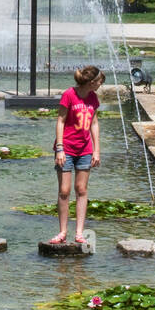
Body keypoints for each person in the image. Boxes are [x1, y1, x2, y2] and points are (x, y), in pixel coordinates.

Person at [49, 65, 104, 245]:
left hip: (85, 150)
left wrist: (96, 149)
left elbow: (94, 123)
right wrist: (59, 148)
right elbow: (60, 121)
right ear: (91, 82)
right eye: (99, 82)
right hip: (67, 149)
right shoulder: (69, 95)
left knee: (81, 189)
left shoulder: (93, 98)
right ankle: (63, 232)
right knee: (64, 191)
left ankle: (79, 232)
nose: (100, 85)